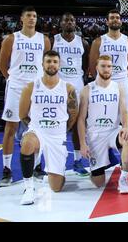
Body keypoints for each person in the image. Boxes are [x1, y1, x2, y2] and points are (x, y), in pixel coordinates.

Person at [0, 6, 51, 187]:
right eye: (28, 15)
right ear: (21, 18)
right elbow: (2, 64)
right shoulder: (11, 38)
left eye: (34, 16)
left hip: (36, 87)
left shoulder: (44, 39)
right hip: (16, 86)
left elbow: (46, 64)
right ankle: (6, 170)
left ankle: (37, 167)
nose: (32, 18)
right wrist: (13, 79)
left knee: (37, 126)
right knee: (11, 126)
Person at [18, 50, 78, 205]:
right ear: (42, 64)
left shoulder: (68, 88)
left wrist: (62, 130)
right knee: (27, 142)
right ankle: (28, 188)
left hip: (58, 136)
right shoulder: (31, 87)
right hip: (38, 131)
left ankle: (52, 172)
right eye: (48, 61)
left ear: (59, 65)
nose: (52, 64)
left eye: (55, 62)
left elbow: (73, 114)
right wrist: (35, 128)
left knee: (56, 187)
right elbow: (22, 113)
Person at [77, 55, 128, 193]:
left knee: (127, 137)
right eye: (103, 66)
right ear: (96, 68)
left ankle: (124, 179)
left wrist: (125, 127)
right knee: (98, 183)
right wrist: (83, 144)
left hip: (113, 131)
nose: (106, 69)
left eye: (109, 66)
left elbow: (124, 111)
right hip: (95, 135)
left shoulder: (118, 87)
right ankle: (103, 164)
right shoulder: (87, 89)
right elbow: (81, 119)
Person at [52, 12, 90, 176]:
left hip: (77, 83)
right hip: (58, 84)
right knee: (57, 124)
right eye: (66, 20)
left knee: (77, 123)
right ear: (61, 23)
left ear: (75, 23)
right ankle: (57, 162)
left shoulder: (83, 42)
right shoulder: (53, 40)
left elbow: (87, 64)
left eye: (72, 20)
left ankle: (77, 161)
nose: (69, 22)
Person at [88, 9, 128, 120]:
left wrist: (122, 77)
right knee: (104, 117)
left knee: (124, 118)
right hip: (104, 83)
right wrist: (102, 80)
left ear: (121, 21)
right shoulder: (98, 41)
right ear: (107, 22)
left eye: (117, 18)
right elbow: (92, 65)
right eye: (112, 18)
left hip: (123, 82)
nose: (115, 20)